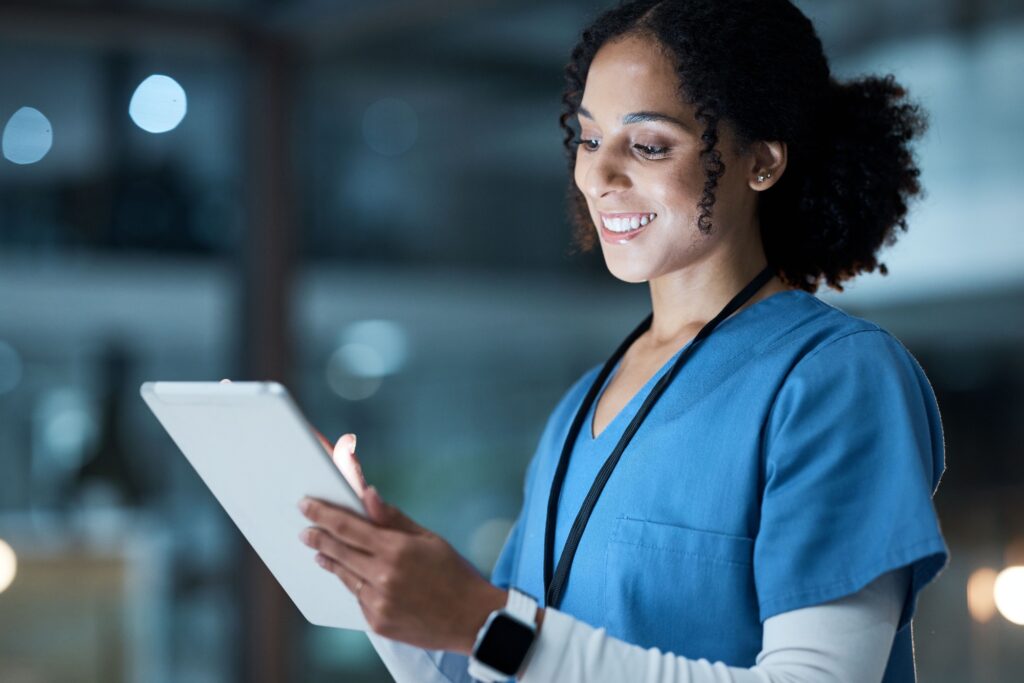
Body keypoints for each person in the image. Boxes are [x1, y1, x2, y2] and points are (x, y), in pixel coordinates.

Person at [297, 0, 949, 680]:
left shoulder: (835, 379)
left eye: (647, 145)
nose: (599, 176)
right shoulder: (582, 405)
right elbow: (499, 667)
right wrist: (377, 576)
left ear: (760, 161)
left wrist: (481, 620)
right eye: (587, 139)